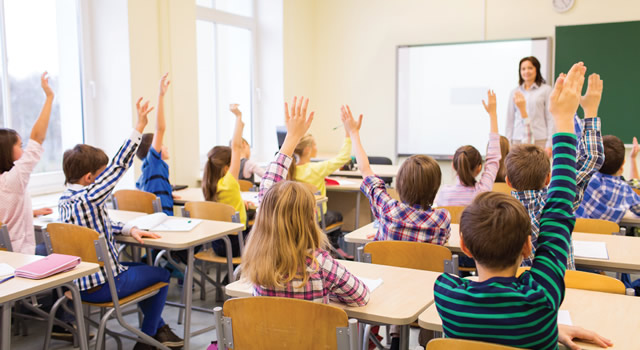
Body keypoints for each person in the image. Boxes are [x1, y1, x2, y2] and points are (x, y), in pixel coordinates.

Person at [434, 62, 610, 349]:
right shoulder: (542, 300)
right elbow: (558, 211)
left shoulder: (446, 294)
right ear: (529, 246)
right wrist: (567, 120)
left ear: (464, 245)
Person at [59, 98, 183, 350]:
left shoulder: (65, 201)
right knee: (160, 274)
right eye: (102, 175)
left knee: (139, 267)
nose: (106, 178)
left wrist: (128, 228)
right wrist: (139, 125)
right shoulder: (90, 196)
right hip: (103, 285)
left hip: (77, 285)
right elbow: (119, 165)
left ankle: (156, 331)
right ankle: (147, 338)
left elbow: (93, 228)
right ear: (90, 178)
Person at [242, 96, 369, 306]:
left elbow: (267, 190)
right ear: (311, 218)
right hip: (314, 340)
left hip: (267, 339)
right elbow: (361, 297)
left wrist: (291, 137)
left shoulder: (257, 263)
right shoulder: (320, 265)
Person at [507, 73, 604, 270]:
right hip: (561, 294)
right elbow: (592, 158)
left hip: (518, 296)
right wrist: (590, 110)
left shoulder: (498, 214)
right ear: (549, 178)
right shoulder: (558, 201)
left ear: (507, 181)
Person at [287, 97, 352, 258]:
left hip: (295, 217)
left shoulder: (289, 170)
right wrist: (348, 134)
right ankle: (334, 246)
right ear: (308, 149)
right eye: (315, 145)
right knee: (336, 214)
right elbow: (343, 158)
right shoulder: (316, 169)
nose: (317, 148)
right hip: (315, 217)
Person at [0, 72, 53, 254]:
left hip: (6, 257)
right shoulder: (13, 179)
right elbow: (37, 138)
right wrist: (49, 97)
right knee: (60, 245)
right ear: (7, 151)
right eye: (19, 145)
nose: (23, 150)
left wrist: (30, 212)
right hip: (21, 256)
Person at [435, 90, 501, 206]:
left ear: (453, 166)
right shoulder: (482, 192)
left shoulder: (444, 194)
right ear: (479, 168)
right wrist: (493, 114)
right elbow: (493, 158)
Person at [202, 104, 248, 257]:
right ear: (227, 168)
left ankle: (231, 275)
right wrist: (238, 117)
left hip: (217, 244)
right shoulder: (229, 182)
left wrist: (241, 203)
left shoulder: (208, 185)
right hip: (237, 245)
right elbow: (235, 147)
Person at [577, 134, 640, 222]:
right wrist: (633, 158)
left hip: (577, 233)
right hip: (606, 235)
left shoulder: (585, 179)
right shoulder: (626, 191)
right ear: (623, 164)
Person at [136, 73, 175, 216]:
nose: (165, 147)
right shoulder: (153, 164)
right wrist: (161, 95)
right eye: (162, 145)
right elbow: (160, 128)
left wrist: (168, 192)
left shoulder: (146, 172)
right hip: (163, 221)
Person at [505, 56, 554, 156]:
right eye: (523, 69)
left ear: (537, 70)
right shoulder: (515, 92)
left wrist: (549, 144)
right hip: (518, 139)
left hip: (539, 139)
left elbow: (550, 118)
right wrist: (508, 142)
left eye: (530, 68)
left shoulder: (546, 90)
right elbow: (510, 119)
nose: (526, 71)